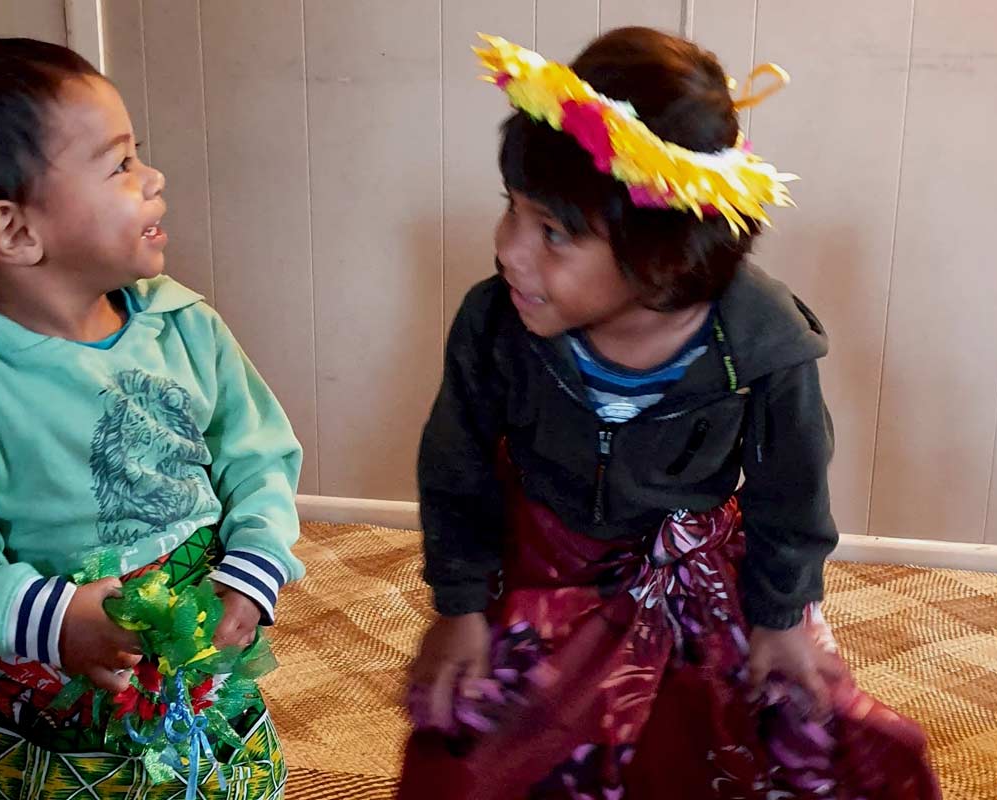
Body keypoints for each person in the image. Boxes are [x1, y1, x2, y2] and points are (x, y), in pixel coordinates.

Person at [400, 28, 941, 799]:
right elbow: (454, 467)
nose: (510, 249)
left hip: (693, 572)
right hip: (540, 563)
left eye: (553, 232)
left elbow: (791, 496)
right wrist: (460, 605)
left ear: (664, 259)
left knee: (749, 739)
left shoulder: (767, 348)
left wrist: (782, 615)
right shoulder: (493, 325)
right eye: (512, 210)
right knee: (476, 749)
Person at [0, 36, 300, 799]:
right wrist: (56, 617)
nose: (154, 177)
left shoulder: (187, 327)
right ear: (15, 231)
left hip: (192, 666)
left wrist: (255, 564)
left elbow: (258, 456)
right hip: (30, 710)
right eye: (121, 163)